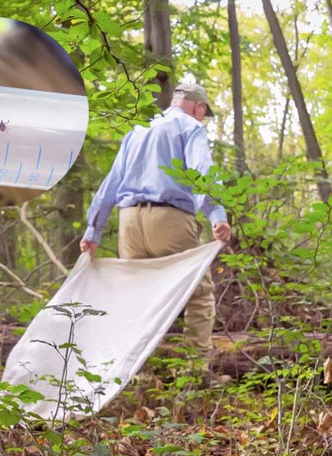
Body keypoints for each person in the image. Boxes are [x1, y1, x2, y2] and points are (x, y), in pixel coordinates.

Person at [78, 82, 232, 377]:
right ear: (198, 107)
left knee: (138, 298)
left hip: (130, 222)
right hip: (170, 219)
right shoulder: (191, 127)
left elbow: (110, 183)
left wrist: (93, 232)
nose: (202, 118)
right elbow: (202, 171)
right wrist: (217, 214)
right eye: (203, 113)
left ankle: (141, 376)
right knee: (198, 294)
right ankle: (194, 373)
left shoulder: (138, 129)